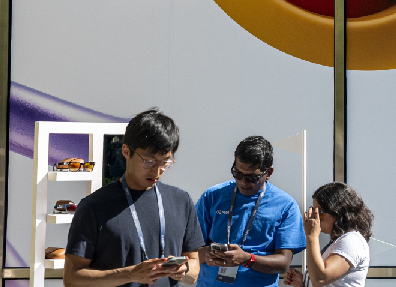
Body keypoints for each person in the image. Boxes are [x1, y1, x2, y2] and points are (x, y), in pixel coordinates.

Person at [65, 108, 205, 287]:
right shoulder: (93, 206)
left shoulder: (181, 201)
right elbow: (72, 278)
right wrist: (130, 274)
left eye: (165, 162)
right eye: (149, 161)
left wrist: (183, 270)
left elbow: (193, 268)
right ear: (126, 151)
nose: (157, 171)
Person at [195, 136, 307, 287]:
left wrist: (247, 259)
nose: (243, 182)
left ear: (269, 172)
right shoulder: (213, 196)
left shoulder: (285, 205)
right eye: (238, 174)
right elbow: (191, 250)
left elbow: (284, 262)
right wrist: (207, 254)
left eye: (252, 178)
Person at [282, 182, 372, 287]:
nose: (316, 217)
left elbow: (321, 279)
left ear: (337, 211)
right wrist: (305, 282)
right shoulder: (339, 241)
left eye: (320, 212)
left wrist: (312, 236)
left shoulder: (352, 241)